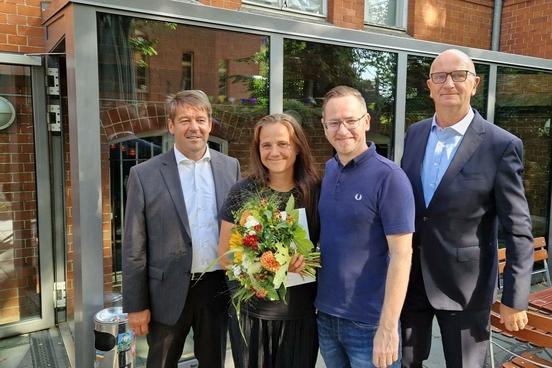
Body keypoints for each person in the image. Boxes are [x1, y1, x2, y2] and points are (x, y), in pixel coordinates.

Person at [400, 49, 534, 368]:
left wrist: (515, 298)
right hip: (411, 281)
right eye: (440, 76)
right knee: (403, 364)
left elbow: (518, 229)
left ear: (474, 83)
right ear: (429, 86)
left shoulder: (501, 145)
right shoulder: (415, 133)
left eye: (458, 75)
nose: (449, 83)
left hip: (466, 289)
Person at [122, 90, 240, 368]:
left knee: (213, 362)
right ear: (171, 125)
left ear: (210, 124)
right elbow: (133, 245)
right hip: (166, 291)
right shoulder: (144, 174)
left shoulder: (230, 167)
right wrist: (136, 305)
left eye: (200, 119)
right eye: (185, 120)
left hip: (216, 287)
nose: (194, 127)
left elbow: (237, 229)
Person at [315, 85, 415, 368]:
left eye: (350, 120)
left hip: (370, 323)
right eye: (334, 123)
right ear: (324, 127)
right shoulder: (329, 170)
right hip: (326, 316)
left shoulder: (390, 178)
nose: (342, 129)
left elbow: (402, 255)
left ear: (367, 122)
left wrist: (387, 328)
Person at [218, 113, 320, 368]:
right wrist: (260, 268)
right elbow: (225, 256)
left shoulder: (316, 191)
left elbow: (330, 247)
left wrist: (307, 260)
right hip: (253, 316)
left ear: (297, 147)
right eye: (266, 145)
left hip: (300, 316)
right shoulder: (242, 192)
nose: (274, 151)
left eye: (283, 143)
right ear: (257, 149)